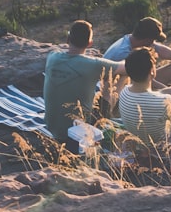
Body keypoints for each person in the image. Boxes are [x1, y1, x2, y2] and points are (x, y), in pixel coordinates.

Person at [43, 20, 125, 149]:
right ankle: (107, 117)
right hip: (79, 132)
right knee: (121, 75)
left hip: (51, 127)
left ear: (67, 39)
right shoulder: (93, 64)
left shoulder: (52, 57)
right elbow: (125, 68)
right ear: (90, 43)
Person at [105, 17, 171, 86]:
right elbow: (140, 80)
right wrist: (166, 90)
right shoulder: (122, 52)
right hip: (118, 88)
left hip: (136, 82)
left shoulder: (133, 40)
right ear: (147, 39)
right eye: (153, 40)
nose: (153, 43)